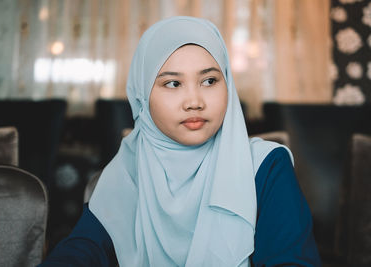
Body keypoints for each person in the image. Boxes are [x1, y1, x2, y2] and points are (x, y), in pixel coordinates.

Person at [40, 16, 321, 267]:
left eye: (209, 80)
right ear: (142, 97)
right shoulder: (126, 172)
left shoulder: (266, 166)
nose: (194, 102)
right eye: (173, 84)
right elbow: (82, 251)